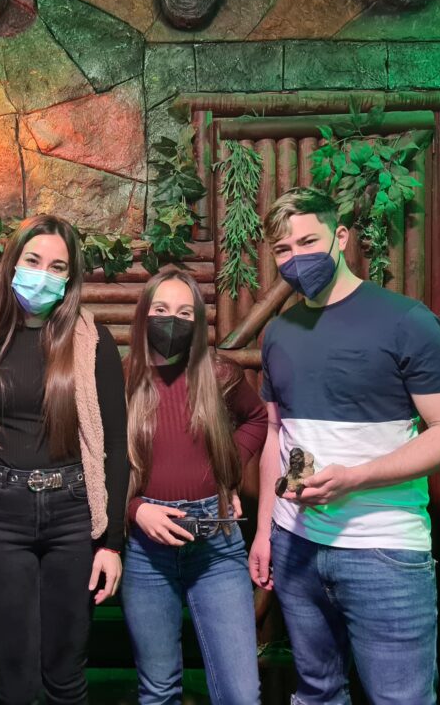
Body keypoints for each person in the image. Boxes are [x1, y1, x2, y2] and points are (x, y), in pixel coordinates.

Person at [248, 188, 440, 705]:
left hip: (383, 549)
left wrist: (354, 478)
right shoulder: (278, 332)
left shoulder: (406, 321)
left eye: (308, 241)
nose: (296, 257)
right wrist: (265, 531)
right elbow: (275, 435)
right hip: (295, 544)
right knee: (316, 693)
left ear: (341, 237)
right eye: (283, 249)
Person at [0, 214, 129, 705]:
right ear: (13, 263)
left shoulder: (91, 341)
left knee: (65, 675)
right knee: (12, 681)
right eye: (33, 261)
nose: (43, 275)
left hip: (73, 514)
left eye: (58, 267)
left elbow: (115, 446)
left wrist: (111, 543)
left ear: (70, 278)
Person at [121, 267, 267, 705]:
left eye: (185, 313)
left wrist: (226, 472)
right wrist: (135, 509)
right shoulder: (122, 378)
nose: (173, 321)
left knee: (241, 694)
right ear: (144, 315)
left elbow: (257, 419)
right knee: (159, 689)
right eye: (162, 310)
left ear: (198, 322)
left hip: (216, 544)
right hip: (147, 550)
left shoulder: (219, 374)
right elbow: (101, 459)